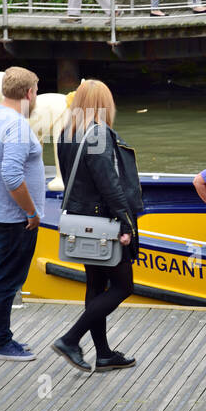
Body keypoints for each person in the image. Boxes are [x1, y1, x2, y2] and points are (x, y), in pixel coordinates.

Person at [52, 80, 143, 373]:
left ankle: (103, 354)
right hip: (103, 221)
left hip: (81, 220)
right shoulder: (98, 134)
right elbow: (109, 183)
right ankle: (70, 339)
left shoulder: (67, 132)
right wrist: (126, 222)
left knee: (95, 284)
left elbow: (72, 179)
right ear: (104, 103)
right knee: (122, 285)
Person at [0, 67, 44, 362]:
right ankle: (0, 342)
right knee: (7, 280)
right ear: (29, 93)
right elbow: (12, 175)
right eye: (37, 91)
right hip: (14, 218)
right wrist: (31, 211)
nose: (37, 96)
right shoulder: (16, 125)